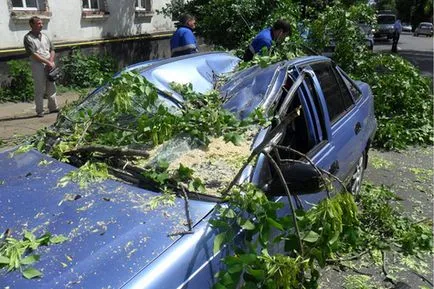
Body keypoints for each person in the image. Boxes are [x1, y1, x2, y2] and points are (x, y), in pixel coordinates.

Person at [24, 16, 58, 117]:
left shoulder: (45, 36)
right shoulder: (28, 38)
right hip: (38, 65)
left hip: (49, 63)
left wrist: (51, 62)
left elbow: (52, 49)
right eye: (39, 23)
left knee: (52, 86)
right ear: (32, 25)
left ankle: (53, 108)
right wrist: (47, 62)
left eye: (41, 23)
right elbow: (33, 54)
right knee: (40, 88)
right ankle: (40, 111)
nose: (41, 25)